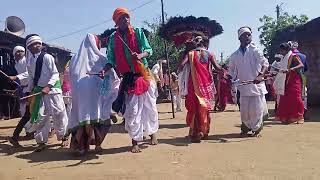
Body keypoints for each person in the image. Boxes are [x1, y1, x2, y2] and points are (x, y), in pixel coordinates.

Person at [102, 7, 158, 153]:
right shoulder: (114, 38)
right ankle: (135, 141)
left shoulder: (138, 32)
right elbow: (111, 59)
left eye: (127, 17)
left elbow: (148, 50)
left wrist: (140, 55)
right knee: (133, 111)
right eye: (122, 17)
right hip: (129, 78)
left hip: (144, 74)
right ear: (117, 22)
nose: (126, 19)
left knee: (149, 107)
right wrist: (104, 70)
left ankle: (152, 133)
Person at [69, 33, 118, 155]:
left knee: (83, 119)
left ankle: (81, 146)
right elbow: (112, 76)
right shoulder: (101, 57)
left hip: (79, 97)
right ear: (96, 43)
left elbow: (71, 77)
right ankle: (97, 145)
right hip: (96, 95)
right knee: (97, 119)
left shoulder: (74, 59)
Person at [25, 34, 68, 151]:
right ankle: (41, 141)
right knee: (41, 116)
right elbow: (31, 78)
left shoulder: (47, 57)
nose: (37, 45)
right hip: (39, 91)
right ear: (28, 47)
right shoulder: (29, 61)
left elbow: (55, 73)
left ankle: (64, 137)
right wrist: (29, 91)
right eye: (33, 44)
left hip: (53, 90)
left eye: (38, 43)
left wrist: (48, 86)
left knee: (59, 114)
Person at [228, 27, 269, 137]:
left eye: (249, 34)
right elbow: (231, 71)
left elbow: (265, 63)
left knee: (256, 110)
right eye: (244, 35)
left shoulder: (255, 50)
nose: (247, 37)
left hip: (256, 86)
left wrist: (261, 75)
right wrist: (228, 78)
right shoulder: (234, 55)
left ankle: (256, 130)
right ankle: (246, 128)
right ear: (239, 38)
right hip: (243, 88)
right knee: (244, 111)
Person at [179, 36, 221, 143]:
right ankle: (204, 131)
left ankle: (196, 132)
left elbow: (181, 66)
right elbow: (218, 68)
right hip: (206, 86)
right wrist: (226, 74)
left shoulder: (190, 54)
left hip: (193, 86)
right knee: (204, 108)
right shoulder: (210, 54)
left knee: (194, 108)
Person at [274, 42, 304, 124]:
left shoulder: (293, 56)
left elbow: (301, 65)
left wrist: (290, 69)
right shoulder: (283, 58)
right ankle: (287, 116)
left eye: (282, 50)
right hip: (285, 79)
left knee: (296, 98)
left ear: (286, 50)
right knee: (285, 98)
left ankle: (299, 115)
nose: (280, 52)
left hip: (294, 79)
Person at [8, 46, 32, 146]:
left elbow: (29, 74)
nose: (19, 53)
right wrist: (18, 89)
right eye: (17, 52)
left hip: (31, 88)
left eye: (21, 51)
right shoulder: (17, 65)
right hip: (28, 90)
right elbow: (24, 78)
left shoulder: (27, 61)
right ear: (14, 53)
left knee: (29, 113)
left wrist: (16, 77)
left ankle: (25, 133)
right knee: (27, 113)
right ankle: (20, 134)